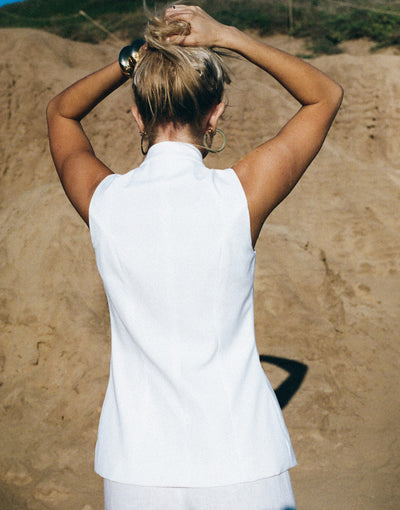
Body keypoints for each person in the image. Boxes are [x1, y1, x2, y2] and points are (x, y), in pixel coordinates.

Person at [47, 4, 343, 510]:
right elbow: (324, 96)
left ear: (137, 114)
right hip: (243, 461)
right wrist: (227, 36)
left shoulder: (104, 201)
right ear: (216, 112)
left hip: (136, 467)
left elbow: (61, 112)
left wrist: (130, 60)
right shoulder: (240, 196)